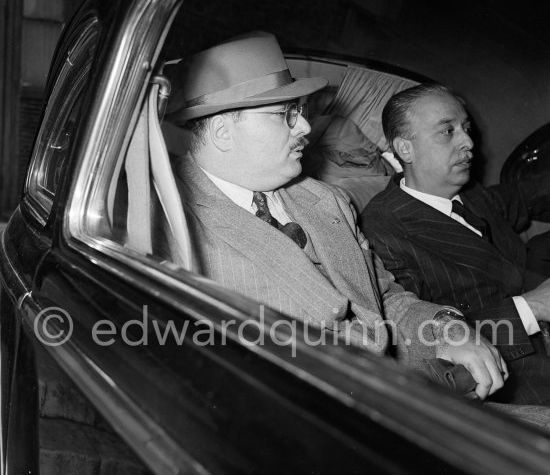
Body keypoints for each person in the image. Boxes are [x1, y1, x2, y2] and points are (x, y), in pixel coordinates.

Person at [166, 31, 507, 402]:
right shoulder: (174, 229)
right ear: (222, 132)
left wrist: (444, 328)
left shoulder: (327, 200)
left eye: (301, 111)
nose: (306, 128)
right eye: (286, 115)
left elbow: (382, 297)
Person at [360, 82, 550, 406]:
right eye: (448, 132)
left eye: (466, 128)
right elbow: (421, 338)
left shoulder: (469, 193)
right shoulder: (384, 230)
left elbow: (521, 195)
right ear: (405, 149)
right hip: (509, 377)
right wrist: (531, 308)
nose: (468, 143)